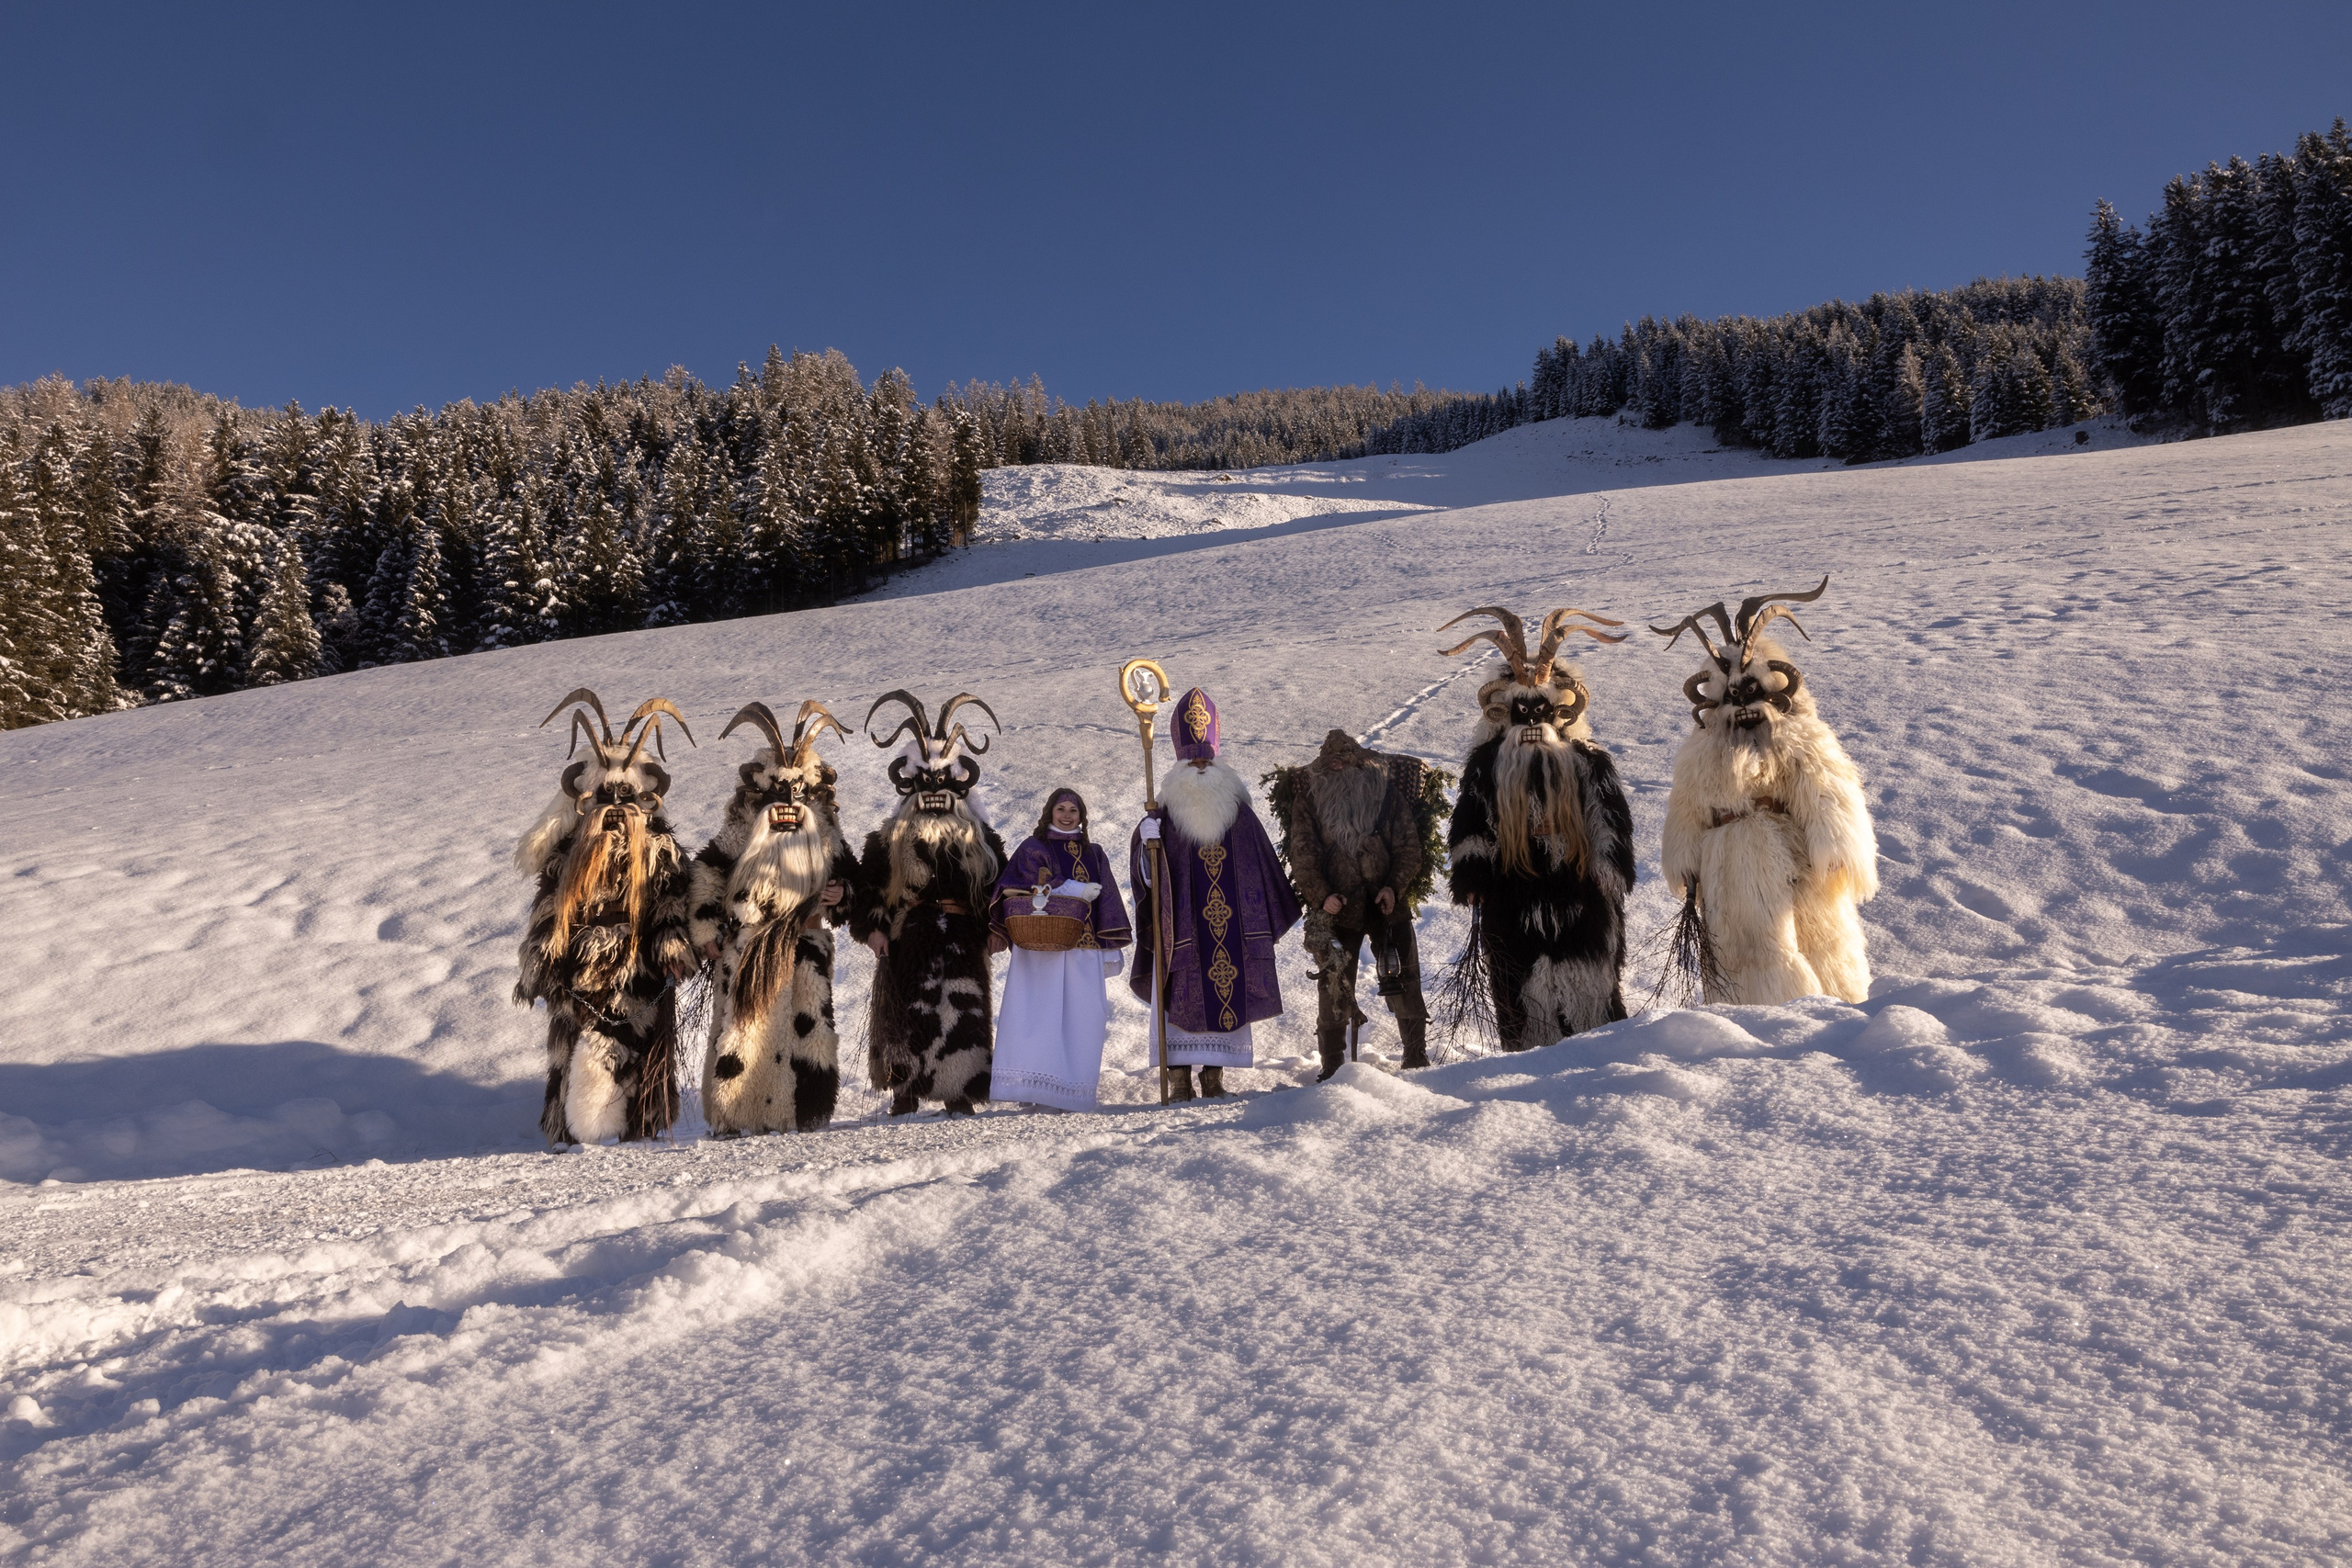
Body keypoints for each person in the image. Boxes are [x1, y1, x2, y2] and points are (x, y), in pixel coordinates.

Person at [1127, 687, 1302, 1100]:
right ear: (1180, 763)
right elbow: (1147, 883)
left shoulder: (1239, 814)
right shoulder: (1163, 818)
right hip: (1182, 928)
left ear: (1218, 760)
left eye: (1207, 759)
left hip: (1232, 931)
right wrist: (1144, 844)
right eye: (1193, 759)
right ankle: (1180, 1077)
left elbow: (1264, 869)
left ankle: (1214, 1076)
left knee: (1228, 991)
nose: (1201, 766)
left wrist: (1260, 920)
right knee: (1180, 997)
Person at [1284, 728, 1430, 1077]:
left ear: (1359, 764)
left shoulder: (1385, 796)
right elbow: (1303, 855)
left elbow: (1409, 848)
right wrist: (1322, 897)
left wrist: (1393, 888)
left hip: (1386, 906)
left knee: (1404, 976)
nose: (1337, 769)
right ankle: (1332, 1066)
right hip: (1338, 909)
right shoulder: (1310, 801)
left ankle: (1415, 1055)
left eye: (1343, 763)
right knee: (1334, 985)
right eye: (1330, 765)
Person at [989, 789, 1133, 1111]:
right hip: (1041, 947)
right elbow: (1015, 884)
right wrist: (1072, 889)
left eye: (1074, 810)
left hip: (1083, 948)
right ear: (1049, 812)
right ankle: (1035, 1089)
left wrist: (1109, 948)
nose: (1067, 815)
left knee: (1084, 1017)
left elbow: (1107, 899)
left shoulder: (1094, 853)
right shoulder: (1033, 847)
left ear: (1082, 815)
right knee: (1040, 1016)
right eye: (1061, 809)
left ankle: (1070, 1091)